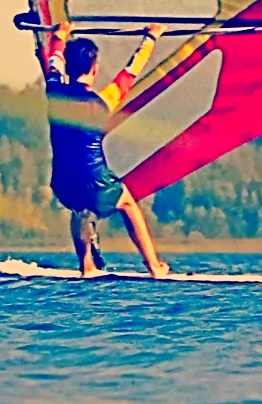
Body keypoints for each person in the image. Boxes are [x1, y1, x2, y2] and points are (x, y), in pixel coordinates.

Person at [41, 21, 171, 278]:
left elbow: (53, 60)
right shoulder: (104, 100)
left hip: (63, 184)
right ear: (95, 69)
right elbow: (131, 71)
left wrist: (59, 35)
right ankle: (154, 266)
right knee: (127, 204)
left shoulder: (54, 90)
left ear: (69, 66)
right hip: (96, 180)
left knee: (79, 208)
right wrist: (151, 37)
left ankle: (86, 266)